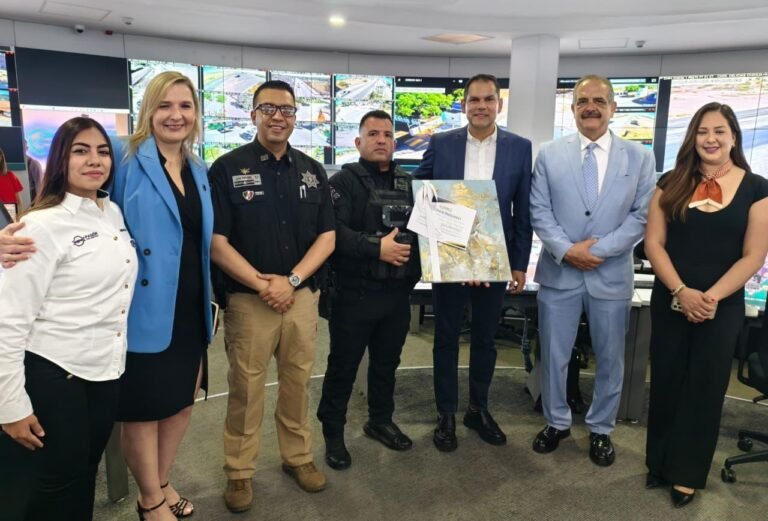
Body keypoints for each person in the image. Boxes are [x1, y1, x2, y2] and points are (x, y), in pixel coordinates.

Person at [0, 117, 137, 521]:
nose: (94, 160)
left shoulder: (111, 212)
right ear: (61, 158)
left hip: (105, 371)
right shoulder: (41, 225)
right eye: (81, 151)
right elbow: (9, 322)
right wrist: (10, 406)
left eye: (102, 152)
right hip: (55, 372)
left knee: (84, 472)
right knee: (55, 480)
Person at [209, 80, 335, 513]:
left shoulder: (312, 171)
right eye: (268, 108)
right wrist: (265, 285)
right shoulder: (227, 168)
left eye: (287, 109)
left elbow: (327, 237)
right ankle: (239, 471)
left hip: (300, 298)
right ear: (253, 115)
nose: (278, 116)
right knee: (246, 389)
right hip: (250, 300)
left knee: (298, 382)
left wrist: (292, 281)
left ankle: (297, 457)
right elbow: (217, 242)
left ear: (296, 117)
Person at [644, 102, 768, 507]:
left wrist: (710, 296)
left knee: (705, 387)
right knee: (667, 380)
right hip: (671, 297)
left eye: (719, 131)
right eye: (702, 131)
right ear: (692, 138)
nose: (710, 139)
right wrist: (682, 291)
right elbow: (653, 244)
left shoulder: (757, 188)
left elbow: (753, 255)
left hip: (721, 305)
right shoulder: (671, 182)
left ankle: (687, 474)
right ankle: (659, 462)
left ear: (734, 136)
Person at [529, 75, 655, 466]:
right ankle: (556, 421)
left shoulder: (640, 157)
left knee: (610, 357)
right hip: (560, 274)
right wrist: (568, 251)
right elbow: (539, 210)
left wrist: (596, 251)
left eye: (599, 101)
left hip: (610, 275)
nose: (591, 107)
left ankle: (601, 428)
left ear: (613, 108)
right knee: (554, 355)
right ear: (572, 109)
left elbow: (642, 216)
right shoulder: (549, 154)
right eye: (583, 100)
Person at [110, 71, 214, 521]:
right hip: (143, 308)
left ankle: (163, 480)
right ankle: (149, 499)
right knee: (144, 410)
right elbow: (75, 202)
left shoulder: (198, 169)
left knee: (180, 403)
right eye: (165, 105)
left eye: (185, 106)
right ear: (148, 111)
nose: (176, 115)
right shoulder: (123, 158)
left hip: (190, 306)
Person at [413, 73, 533, 452]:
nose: (481, 106)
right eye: (474, 100)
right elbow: (421, 192)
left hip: (495, 260)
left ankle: (478, 409)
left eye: (488, 99)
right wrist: (455, 252)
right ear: (464, 105)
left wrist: (518, 263)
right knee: (446, 338)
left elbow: (523, 211)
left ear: (499, 104)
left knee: (485, 339)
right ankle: (446, 413)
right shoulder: (441, 143)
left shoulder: (520, 148)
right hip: (450, 257)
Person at [316, 110, 420, 469]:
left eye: (387, 134)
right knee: (343, 367)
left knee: (387, 364)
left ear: (395, 142)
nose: (381, 140)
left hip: (397, 296)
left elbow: (426, 232)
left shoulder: (410, 184)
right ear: (359, 141)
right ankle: (333, 431)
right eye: (373, 134)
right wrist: (377, 249)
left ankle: (380, 420)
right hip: (354, 294)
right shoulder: (342, 183)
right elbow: (333, 234)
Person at [0, 148, 24, 217]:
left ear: (1, 157)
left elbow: (18, 199)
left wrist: (20, 216)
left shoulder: (10, 175)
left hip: (10, 210)